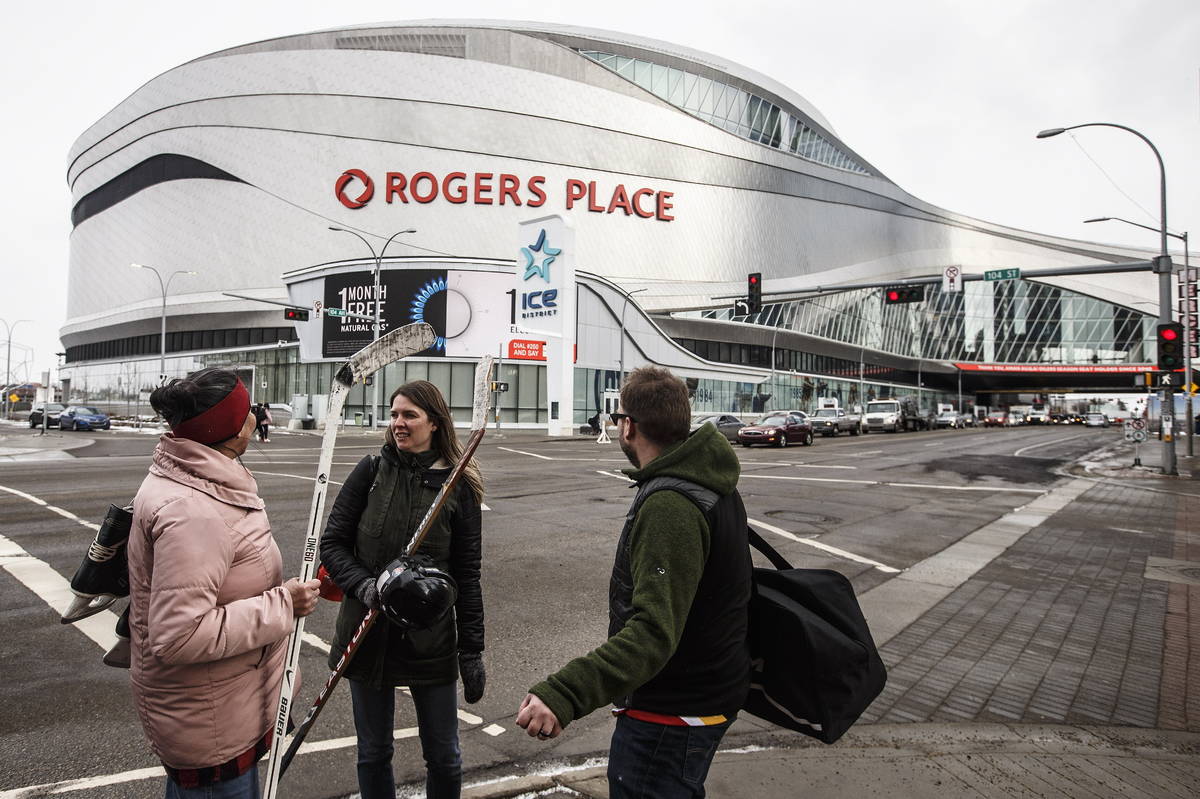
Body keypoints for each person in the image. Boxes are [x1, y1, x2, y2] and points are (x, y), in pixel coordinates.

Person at [516, 366, 752, 798]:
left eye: (616, 417)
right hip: (699, 696)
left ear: (628, 426)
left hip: (674, 712)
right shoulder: (708, 484)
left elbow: (652, 632)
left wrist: (565, 692)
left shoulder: (671, 505)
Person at [127, 368, 321, 798]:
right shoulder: (193, 511)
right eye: (248, 410)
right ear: (232, 430)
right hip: (211, 724)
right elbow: (179, 635)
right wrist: (283, 604)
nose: (256, 416)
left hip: (222, 707)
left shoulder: (195, 479)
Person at [320, 380, 485, 799]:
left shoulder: (457, 486)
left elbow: (467, 574)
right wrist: (366, 586)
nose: (398, 423)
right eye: (394, 414)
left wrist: (471, 649)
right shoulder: (371, 471)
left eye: (409, 414)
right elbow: (333, 544)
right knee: (374, 752)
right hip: (367, 632)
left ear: (434, 422)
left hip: (430, 641)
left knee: (444, 756)